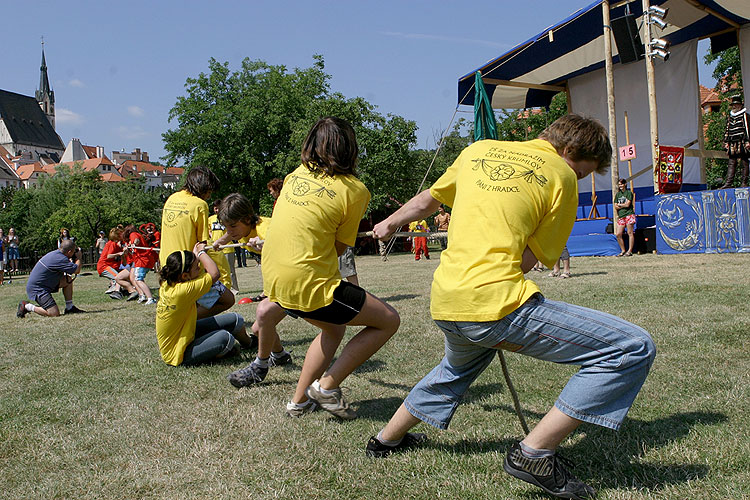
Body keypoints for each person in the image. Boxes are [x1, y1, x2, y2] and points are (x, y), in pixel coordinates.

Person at [368, 114, 656, 500]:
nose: (580, 178)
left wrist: (388, 223)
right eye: (583, 171)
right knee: (631, 347)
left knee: (453, 371)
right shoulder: (562, 176)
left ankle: (386, 440)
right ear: (569, 151)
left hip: (447, 301)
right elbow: (531, 257)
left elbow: (427, 201)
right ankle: (533, 454)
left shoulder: (478, 150)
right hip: (493, 306)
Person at [228, 117, 400, 421]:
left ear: (311, 146)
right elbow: (339, 248)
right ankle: (327, 387)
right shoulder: (355, 191)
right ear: (350, 149)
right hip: (309, 281)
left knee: (333, 329)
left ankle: (299, 402)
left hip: (275, 279)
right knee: (388, 320)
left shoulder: (295, 175)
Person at [155, 243, 255, 366]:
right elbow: (214, 274)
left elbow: (226, 298)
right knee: (225, 338)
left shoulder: (168, 283)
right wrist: (201, 253)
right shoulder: (182, 291)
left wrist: (195, 257)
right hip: (178, 354)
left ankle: (250, 343)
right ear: (185, 276)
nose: (200, 267)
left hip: (187, 333)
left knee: (235, 319)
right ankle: (220, 353)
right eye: (197, 267)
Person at [159, 165, 234, 319]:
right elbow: (201, 244)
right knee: (228, 299)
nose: (209, 195)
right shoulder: (199, 205)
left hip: (167, 265)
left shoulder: (171, 199)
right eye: (210, 191)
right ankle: (186, 319)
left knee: (190, 302)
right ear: (203, 187)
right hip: (189, 268)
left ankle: (187, 320)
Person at [17, 239, 85, 317]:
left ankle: (69, 307)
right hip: (38, 288)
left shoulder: (57, 254)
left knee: (68, 280)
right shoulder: (60, 259)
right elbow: (77, 270)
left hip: (45, 284)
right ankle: (26, 306)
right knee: (54, 313)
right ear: (69, 252)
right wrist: (79, 258)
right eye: (73, 251)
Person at [97, 226, 138, 300]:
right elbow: (109, 256)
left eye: (116, 239)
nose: (116, 241)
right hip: (104, 266)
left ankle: (124, 291)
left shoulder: (122, 243)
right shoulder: (113, 244)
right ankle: (118, 292)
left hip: (113, 265)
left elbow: (124, 262)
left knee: (123, 277)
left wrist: (123, 255)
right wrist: (119, 253)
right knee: (117, 277)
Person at [208, 200, 239, 293]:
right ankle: (221, 288)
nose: (217, 210)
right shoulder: (210, 219)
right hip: (215, 250)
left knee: (230, 270)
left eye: (218, 208)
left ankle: (234, 289)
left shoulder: (227, 218)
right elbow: (208, 230)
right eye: (215, 208)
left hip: (228, 248)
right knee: (217, 271)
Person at [721, 94, 750, 188]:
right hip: (732, 143)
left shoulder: (745, 116)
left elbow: (747, 129)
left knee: (744, 162)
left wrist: (748, 141)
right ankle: (728, 183)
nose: (734, 106)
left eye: (736, 105)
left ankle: (744, 182)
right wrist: (726, 142)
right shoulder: (730, 117)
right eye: (733, 105)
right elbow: (727, 130)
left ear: (740, 105)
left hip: (742, 142)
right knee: (732, 162)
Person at [124, 225, 156, 304]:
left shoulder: (133, 234)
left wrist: (134, 243)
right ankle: (144, 296)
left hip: (142, 260)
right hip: (144, 260)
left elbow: (136, 240)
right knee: (136, 279)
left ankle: (150, 298)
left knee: (138, 279)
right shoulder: (136, 234)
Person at [614, 178, 635, 257]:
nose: (620, 186)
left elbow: (628, 205)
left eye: (621, 184)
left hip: (629, 214)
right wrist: (621, 205)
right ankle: (623, 250)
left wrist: (620, 205)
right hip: (621, 216)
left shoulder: (629, 193)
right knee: (618, 234)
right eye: (619, 185)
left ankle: (630, 250)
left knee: (630, 233)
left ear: (625, 184)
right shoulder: (618, 195)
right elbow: (615, 206)